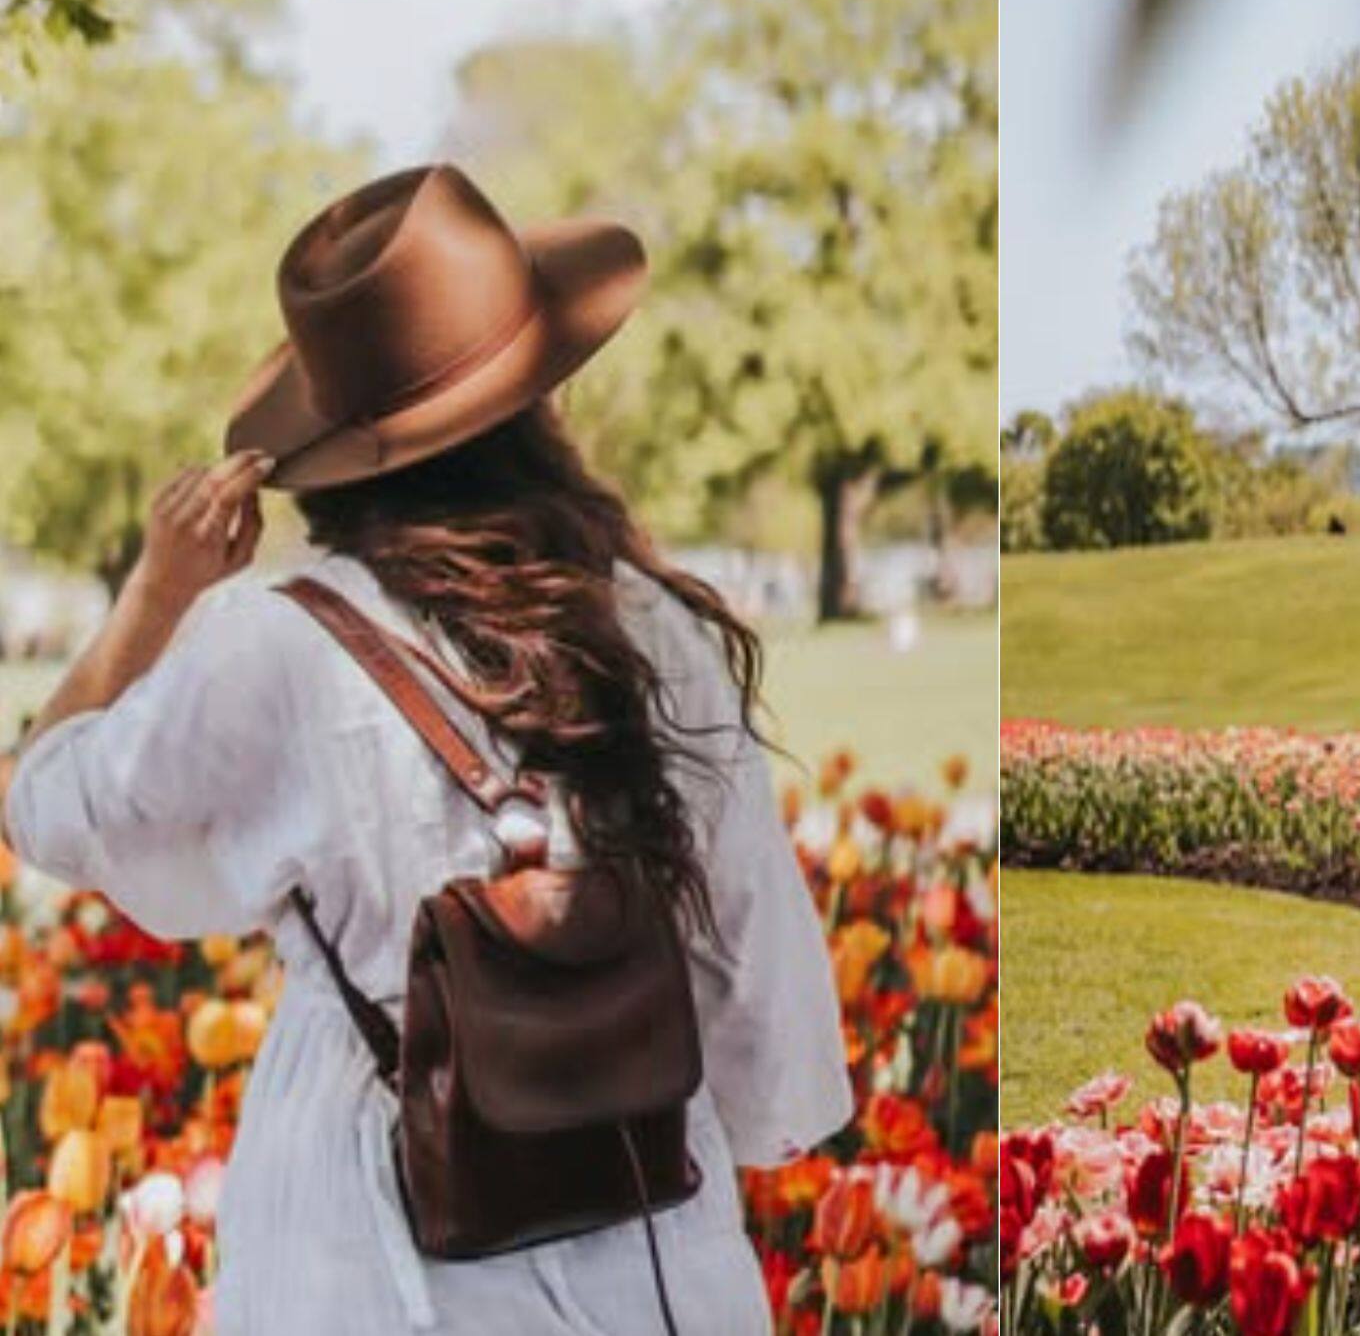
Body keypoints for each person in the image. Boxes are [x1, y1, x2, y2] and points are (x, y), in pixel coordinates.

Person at [1, 165, 852, 1333]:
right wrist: (734, 1127)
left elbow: (46, 805)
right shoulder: (655, 628)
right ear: (536, 399)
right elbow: (751, 949)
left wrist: (157, 593)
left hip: (373, 1244)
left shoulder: (277, 643)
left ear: (336, 440)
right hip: (647, 1227)